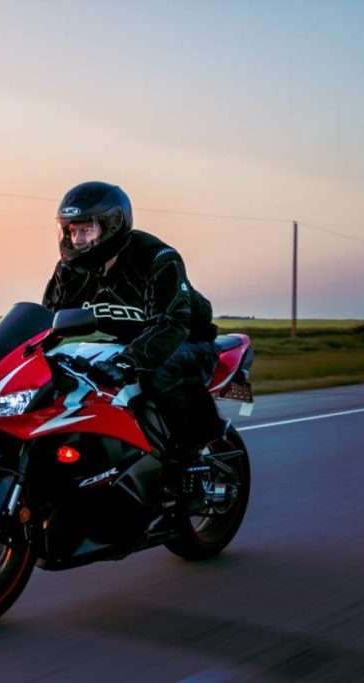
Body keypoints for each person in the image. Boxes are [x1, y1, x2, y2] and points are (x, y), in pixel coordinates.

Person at [42, 181, 226, 476]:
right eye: (72, 230)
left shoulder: (156, 258)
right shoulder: (71, 270)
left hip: (186, 340)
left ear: (112, 225)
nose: (77, 239)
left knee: (155, 373)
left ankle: (186, 457)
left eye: (86, 229)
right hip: (131, 341)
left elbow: (171, 323)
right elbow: (47, 318)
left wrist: (128, 361)